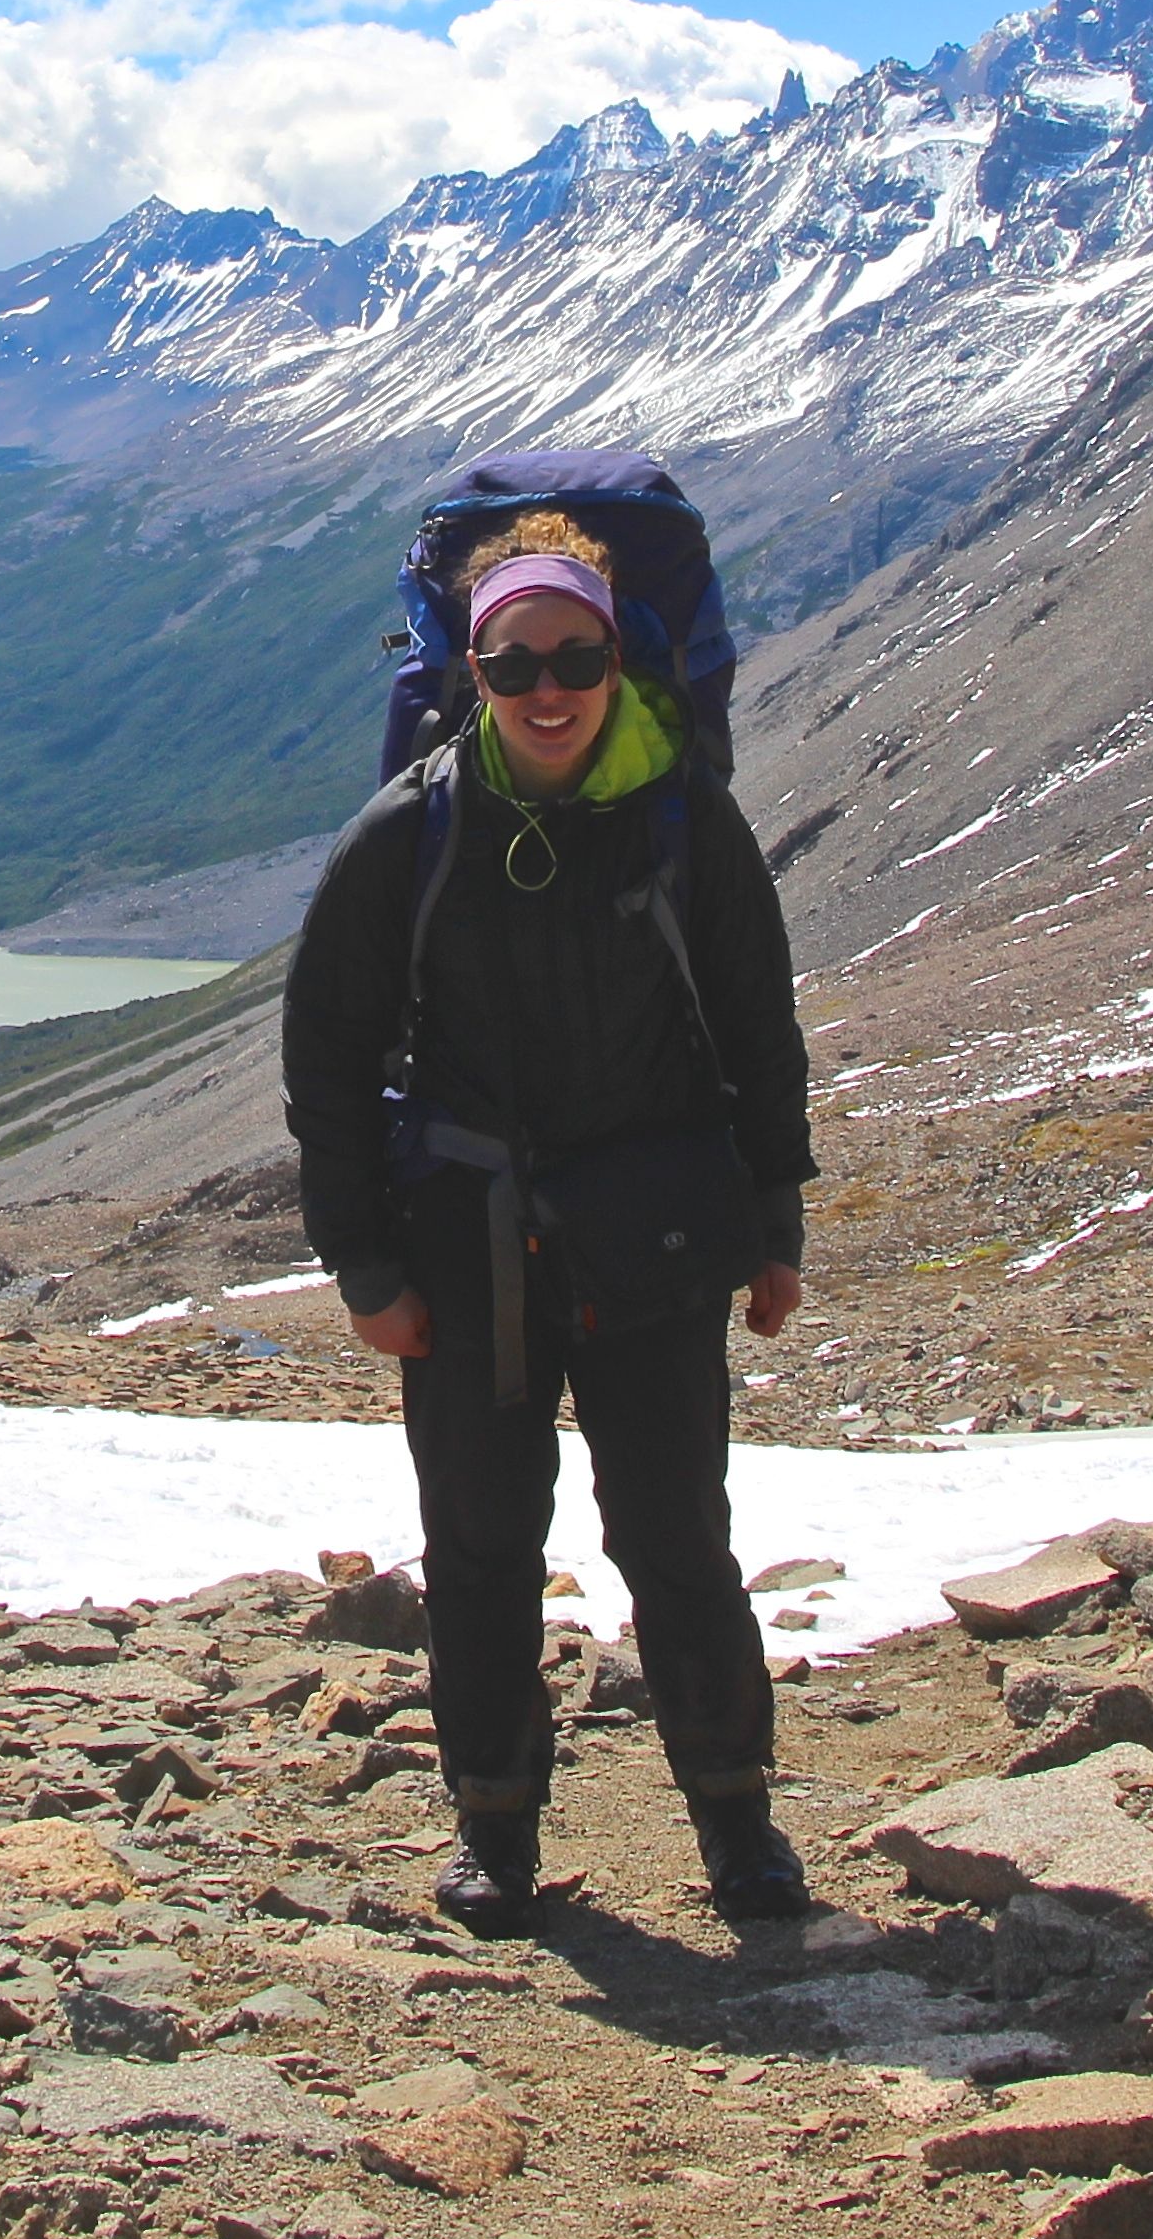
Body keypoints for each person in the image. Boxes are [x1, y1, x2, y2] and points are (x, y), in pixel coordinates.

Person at [278, 512, 819, 1931]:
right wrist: (363, 1264)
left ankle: (736, 1821)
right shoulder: (414, 835)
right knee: (478, 1549)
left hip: (656, 1237)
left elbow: (760, 1025)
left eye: (576, 656)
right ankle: (499, 1831)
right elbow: (326, 1056)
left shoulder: (686, 819)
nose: (551, 689)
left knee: (674, 1536)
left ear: (617, 655)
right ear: (475, 669)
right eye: (517, 665)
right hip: (465, 1252)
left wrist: (777, 1224)